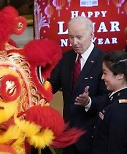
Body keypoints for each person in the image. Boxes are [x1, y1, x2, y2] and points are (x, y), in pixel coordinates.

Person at [49, 16, 108, 154]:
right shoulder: (66, 58)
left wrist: (89, 102)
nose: (74, 42)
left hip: (91, 136)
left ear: (92, 35)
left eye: (79, 37)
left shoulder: (103, 60)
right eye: (70, 37)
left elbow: (106, 98)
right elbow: (51, 86)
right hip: (68, 135)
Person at [91, 51, 127, 154]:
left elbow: (116, 149)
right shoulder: (112, 96)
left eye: (105, 73)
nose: (102, 77)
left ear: (119, 75)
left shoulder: (122, 109)